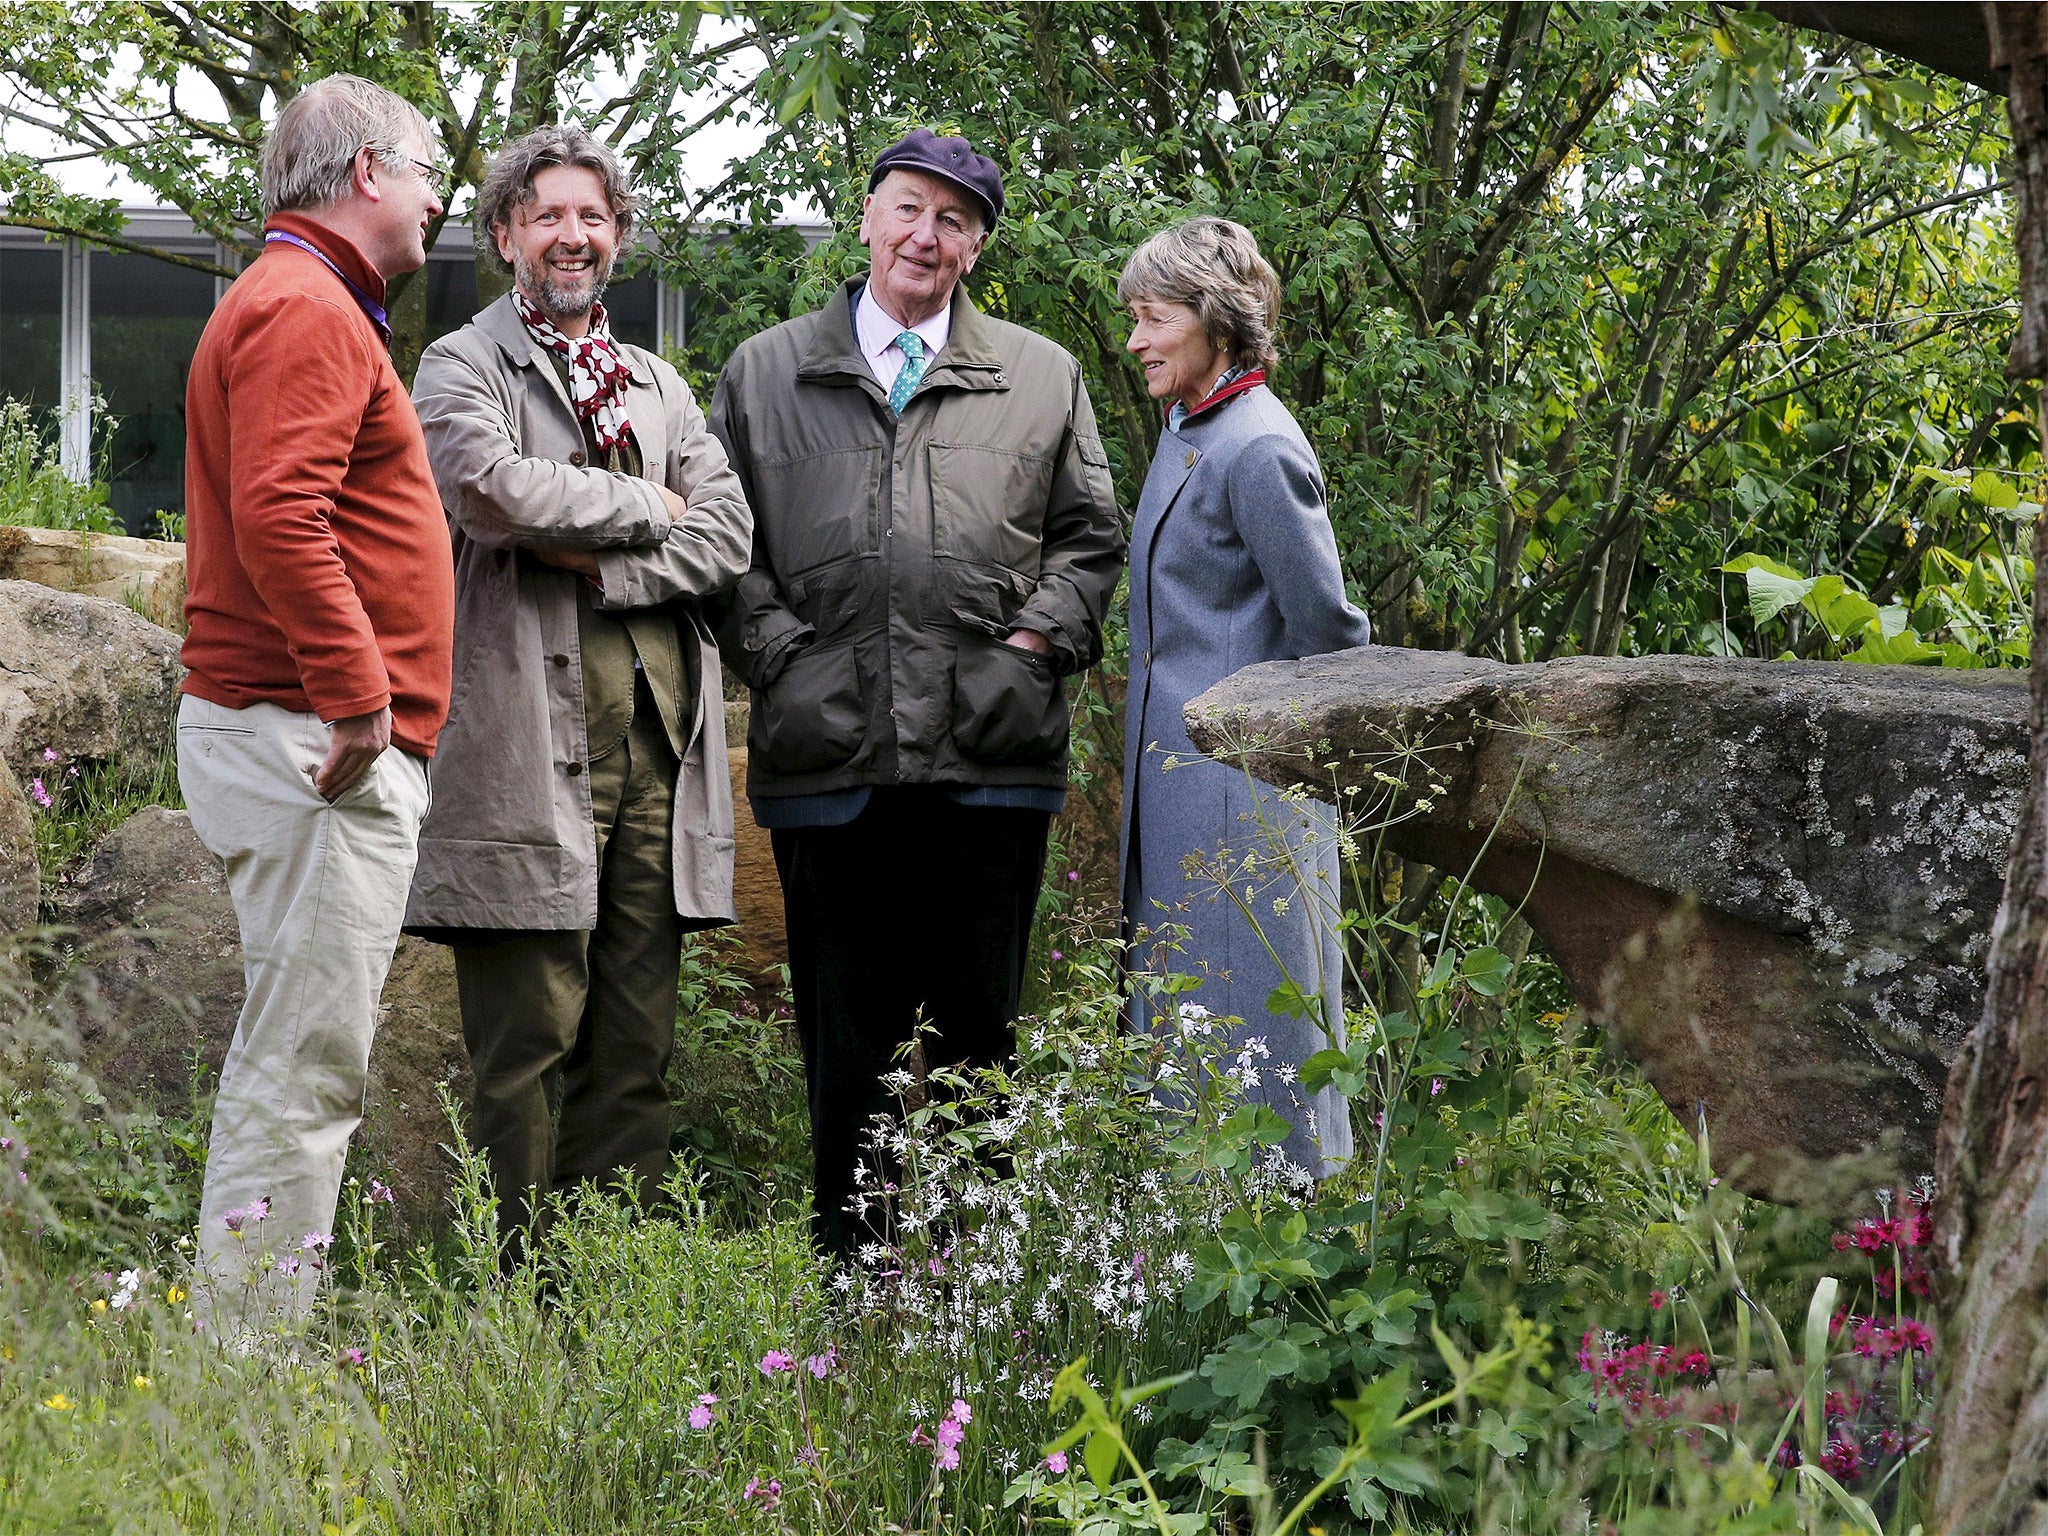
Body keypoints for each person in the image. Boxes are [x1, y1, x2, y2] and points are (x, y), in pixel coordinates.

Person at [709, 129, 1124, 1255]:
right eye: (906, 210)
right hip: (828, 762)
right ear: (865, 217)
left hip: (988, 763)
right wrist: (787, 657)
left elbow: (1089, 539)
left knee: (979, 1047)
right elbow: (717, 547)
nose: (923, 237)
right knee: (846, 1047)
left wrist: (1033, 648)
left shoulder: (1041, 375)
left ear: (977, 247)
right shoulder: (763, 371)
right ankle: (853, 1300)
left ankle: (970, 1302)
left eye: (952, 221)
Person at [405, 126, 752, 1243]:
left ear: (617, 237)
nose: (572, 235)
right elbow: (493, 495)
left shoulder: (656, 383)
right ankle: (512, 1301)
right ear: (504, 233)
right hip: (522, 746)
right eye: (547, 214)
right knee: (526, 1040)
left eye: (591, 216)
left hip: (659, 746)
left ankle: (606, 1280)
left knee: (637, 1039)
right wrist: (652, 508)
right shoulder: (461, 363)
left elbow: (732, 532)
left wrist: (598, 552)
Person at [178, 73, 453, 1333]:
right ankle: (244, 1383)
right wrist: (359, 705)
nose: (437, 198)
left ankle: (244, 1354)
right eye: (426, 171)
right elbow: (280, 515)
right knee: (301, 1074)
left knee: (295, 1063)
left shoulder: (302, 297)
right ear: (364, 176)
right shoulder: (304, 306)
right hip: (312, 743)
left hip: (299, 734)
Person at [1117, 216, 1373, 1179]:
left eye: (1151, 319)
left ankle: (1290, 1268)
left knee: (1259, 1054)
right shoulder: (1191, 430)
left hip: (1245, 806)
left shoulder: (1257, 447)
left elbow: (1332, 644)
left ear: (1216, 324)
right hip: (1184, 798)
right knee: (1191, 1048)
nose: (1135, 340)